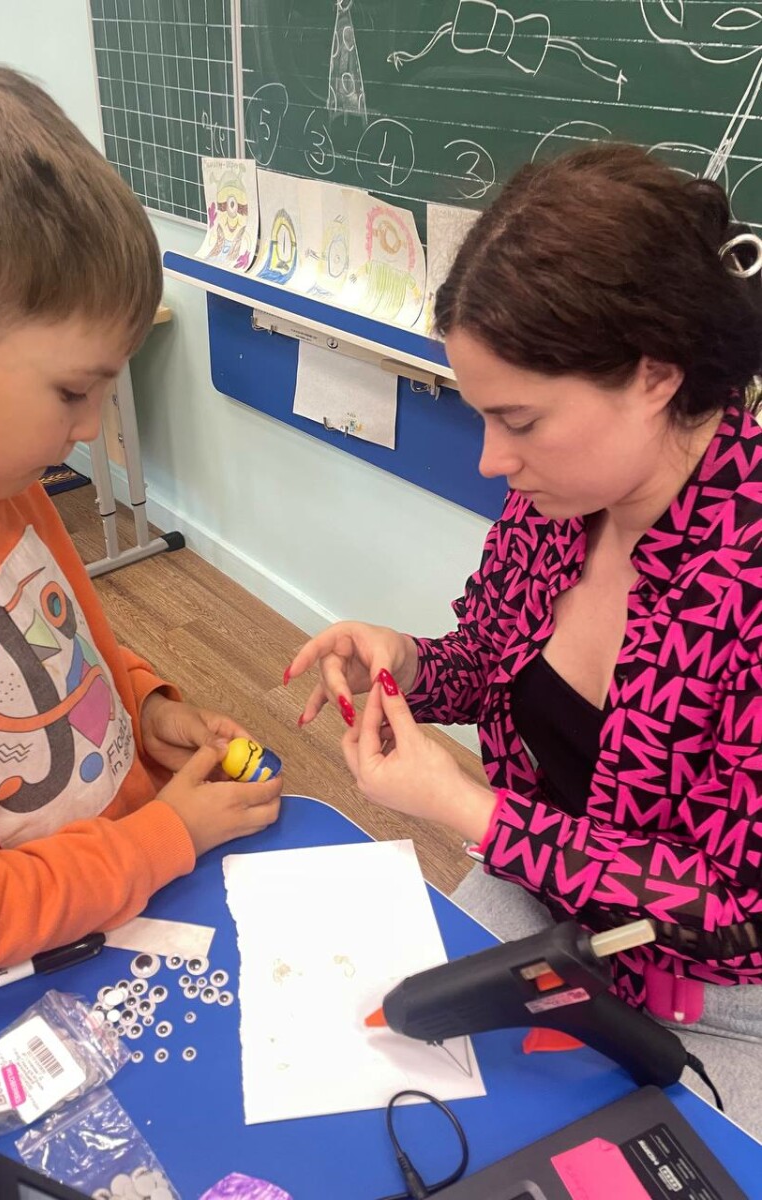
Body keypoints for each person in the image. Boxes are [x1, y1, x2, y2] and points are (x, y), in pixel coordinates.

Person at [286, 143, 762, 1134]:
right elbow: (493, 660)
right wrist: (411, 664)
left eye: (520, 421)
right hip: (544, 910)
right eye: (482, 417)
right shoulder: (560, 504)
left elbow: (733, 908)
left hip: (715, 994)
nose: (493, 460)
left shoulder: (745, 579)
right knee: (383, 1100)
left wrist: (475, 811)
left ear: (655, 374)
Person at [0, 59, 282, 1011]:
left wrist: (143, 707)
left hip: (128, 900)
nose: (91, 427)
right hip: (3, 1001)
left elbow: (60, 642)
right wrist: (161, 839)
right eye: (71, 391)